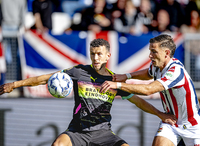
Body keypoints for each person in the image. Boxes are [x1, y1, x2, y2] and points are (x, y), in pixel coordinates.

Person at [0, 38, 176, 146]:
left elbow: (138, 101)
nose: (96, 58)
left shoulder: (114, 81)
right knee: (58, 144)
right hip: (77, 131)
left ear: (108, 56)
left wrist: (161, 114)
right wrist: (14, 84)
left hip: (103, 134)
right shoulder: (78, 72)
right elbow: (45, 78)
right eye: (93, 54)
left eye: (99, 54)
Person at [100, 34, 200, 146]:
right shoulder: (157, 65)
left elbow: (148, 89)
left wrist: (118, 85)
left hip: (193, 126)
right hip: (171, 122)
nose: (150, 56)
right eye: (150, 51)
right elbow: (148, 73)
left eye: (154, 51)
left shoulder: (176, 71)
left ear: (166, 53)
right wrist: (127, 76)